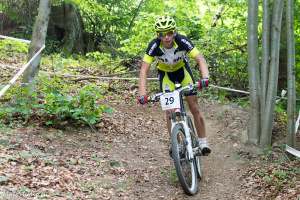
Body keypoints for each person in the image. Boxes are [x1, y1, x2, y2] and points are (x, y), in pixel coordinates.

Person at [137, 16, 211, 155]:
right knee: (169, 112)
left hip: (182, 72)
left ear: (174, 32)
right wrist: (142, 93)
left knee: (194, 107)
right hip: (166, 76)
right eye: (162, 34)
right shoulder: (153, 46)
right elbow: (143, 70)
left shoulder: (182, 40)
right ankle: (175, 143)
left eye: (169, 33)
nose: (166, 37)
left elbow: (199, 58)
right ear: (157, 35)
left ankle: (203, 142)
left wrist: (205, 77)